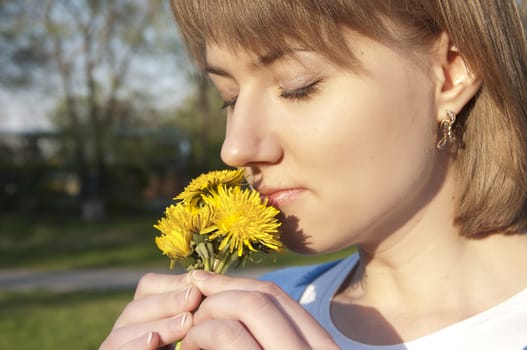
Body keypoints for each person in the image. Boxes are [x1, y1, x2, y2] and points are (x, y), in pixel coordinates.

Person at [100, 1, 527, 349]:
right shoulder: (253, 316)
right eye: (228, 98)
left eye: (296, 86)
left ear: (451, 71)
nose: (235, 149)